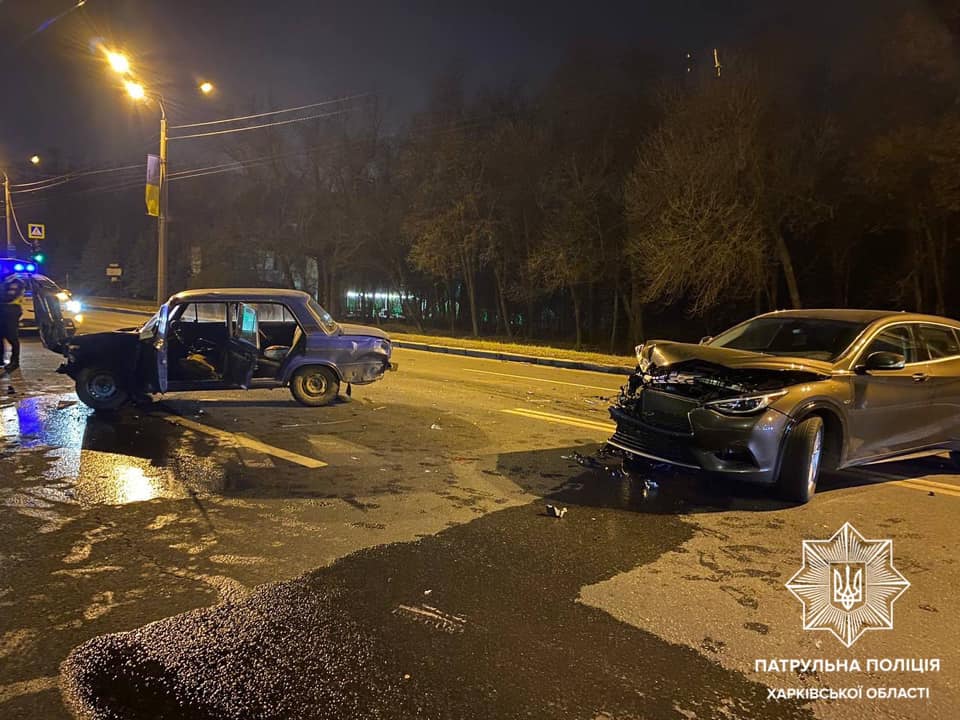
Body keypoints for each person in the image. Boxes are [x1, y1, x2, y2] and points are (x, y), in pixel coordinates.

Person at [0, 273, 26, 374]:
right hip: (2, 310)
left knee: (12, 337)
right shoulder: (4, 282)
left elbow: (9, 296)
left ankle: (15, 361)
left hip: (11, 310)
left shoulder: (16, 282)